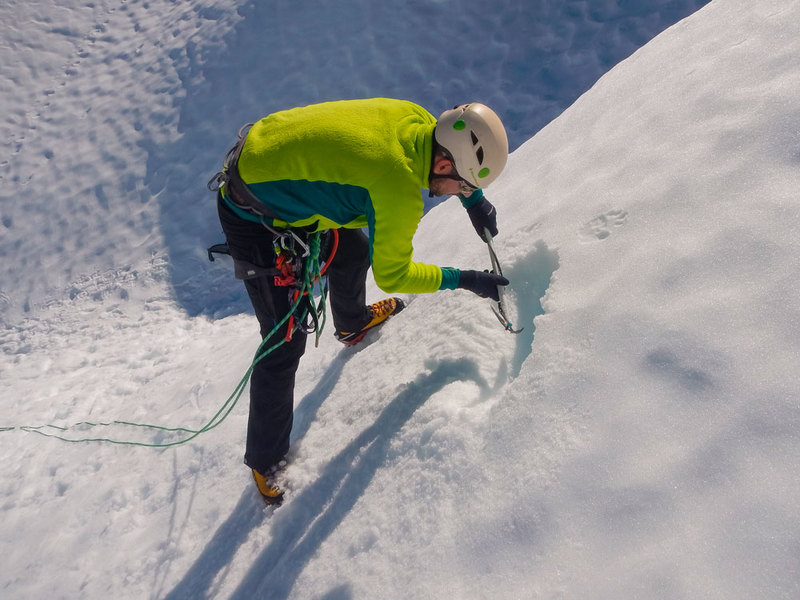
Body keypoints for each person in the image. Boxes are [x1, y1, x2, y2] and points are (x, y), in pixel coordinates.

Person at [212, 98, 510, 504]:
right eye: (464, 185)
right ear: (444, 166)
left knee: (350, 249)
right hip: (255, 214)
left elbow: (434, 161)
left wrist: (474, 202)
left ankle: (351, 322)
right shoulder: (399, 190)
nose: (460, 192)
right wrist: (465, 279)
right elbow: (394, 274)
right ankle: (266, 461)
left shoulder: (419, 120)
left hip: (278, 169)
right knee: (284, 340)